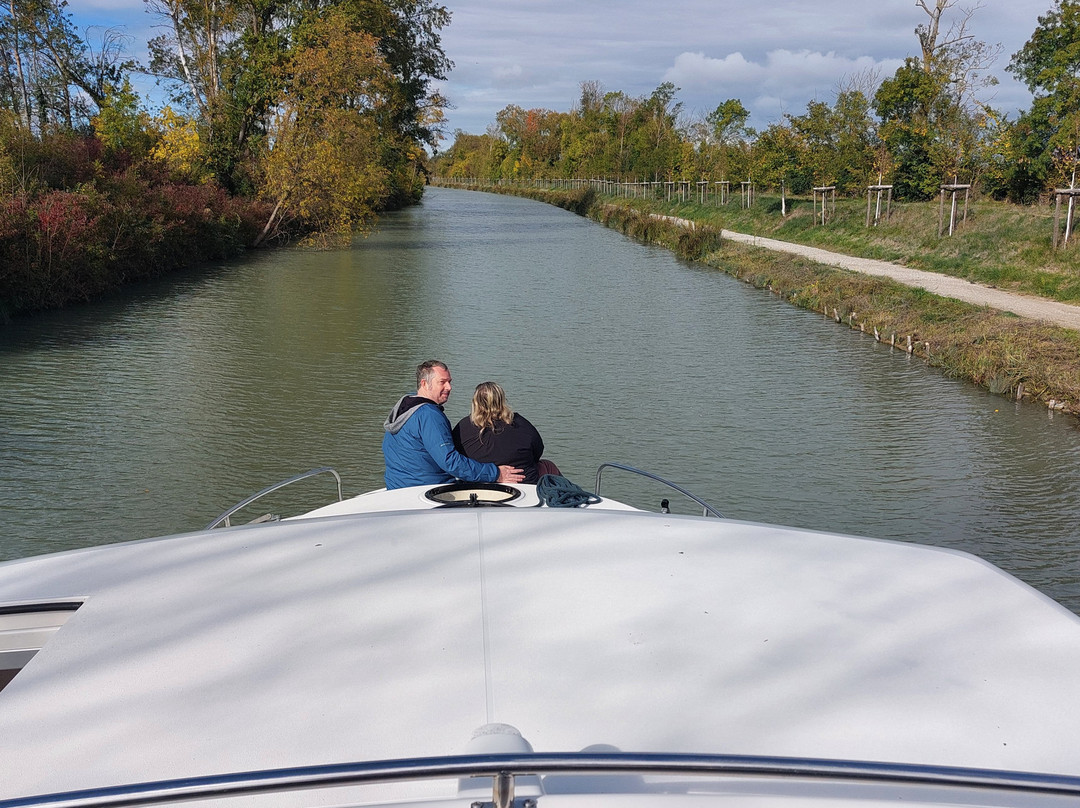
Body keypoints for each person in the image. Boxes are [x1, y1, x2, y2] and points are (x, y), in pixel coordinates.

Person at [382, 361, 524, 490]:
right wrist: (496, 473)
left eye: (449, 382)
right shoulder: (429, 415)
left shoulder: (404, 407)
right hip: (426, 490)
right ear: (424, 384)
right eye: (442, 382)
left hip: (397, 487)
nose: (449, 387)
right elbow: (450, 461)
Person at [453, 381, 560, 485]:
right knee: (547, 465)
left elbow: (456, 459)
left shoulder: (463, 427)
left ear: (475, 402)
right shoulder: (521, 423)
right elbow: (538, 450)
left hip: (478, 486)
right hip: (523, 483)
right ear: (502, 400)